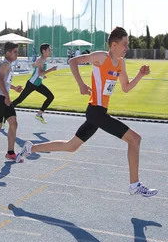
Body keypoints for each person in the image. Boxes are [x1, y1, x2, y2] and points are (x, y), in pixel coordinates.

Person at [15, 26, 157, 197]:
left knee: (71, 146)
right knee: (135, 139)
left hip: (97, 113)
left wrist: (140, 75)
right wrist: (81, 84)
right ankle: (134, 185)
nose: (127, 48)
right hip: (96, 112)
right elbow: (73, 62)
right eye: (125, 44)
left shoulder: (120, 64)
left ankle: (31, 148)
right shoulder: (101, 57)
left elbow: (126, 87)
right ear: (114, 45)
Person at [12, 43, 57, 124]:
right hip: (31, 84)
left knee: (50, 97)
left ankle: (39, 114)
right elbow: (40, 73)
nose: (50, 51)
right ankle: (5, 112)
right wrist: (51, 70)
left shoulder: (42, 59)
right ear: (44, 51)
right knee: (19, 100)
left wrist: (42, 76)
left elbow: (35, 67)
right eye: (49, 50)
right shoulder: (41, 60)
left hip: (38, 84)